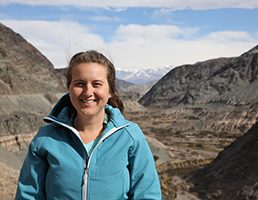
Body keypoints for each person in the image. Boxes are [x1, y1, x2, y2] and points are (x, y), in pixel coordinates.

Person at [15, 50, 162, 199]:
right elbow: (28, 196)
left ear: (110, 90)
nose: (88, 92)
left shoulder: (130, 136)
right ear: (69, 88)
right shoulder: (46, 138)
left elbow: (147, 195)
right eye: (80, 84)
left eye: (97, 84)